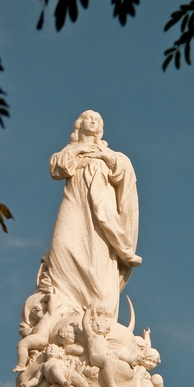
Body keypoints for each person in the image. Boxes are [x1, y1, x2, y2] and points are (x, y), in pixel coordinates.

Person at [40, 110, 141, 321]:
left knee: (99, 255)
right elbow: (56, 169)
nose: (94, 120)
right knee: (62, 245)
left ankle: (97, 308)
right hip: (74, 202)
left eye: (98, 119)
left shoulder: (108, 153)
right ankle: (64, 305)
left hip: (101, 211)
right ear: (79, 123)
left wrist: (105, 156)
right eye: (89, 117)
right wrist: (79, 148)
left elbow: (125, 171)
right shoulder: (71, 150)